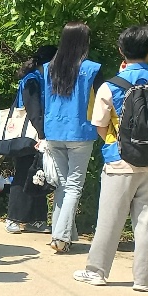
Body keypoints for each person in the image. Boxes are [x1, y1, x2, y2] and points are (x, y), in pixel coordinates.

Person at [75, 25, 148, 291]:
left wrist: (116, 144)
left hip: (120, 160)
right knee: (147, 222)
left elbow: (99, 125)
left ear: (121, 51)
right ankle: (144, 280)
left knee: (110, 218)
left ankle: (96, 271)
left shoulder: (110, 86)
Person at [41, 22, 103, 254]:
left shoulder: (48, 67)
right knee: (74, 186)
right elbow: (103, 101)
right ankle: (61, 236)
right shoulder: (92, 69)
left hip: (53, 130)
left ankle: (62, 233)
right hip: (80, 132)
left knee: (64, 185)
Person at [5, 45, 57, 234]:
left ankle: (37, 219)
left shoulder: (43, 78)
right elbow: (33, 109)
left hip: (39, 133)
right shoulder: (32, 79)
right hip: (30, 134)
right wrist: (42, 134)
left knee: (39, 174)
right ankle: (13, 218)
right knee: (23, 173)